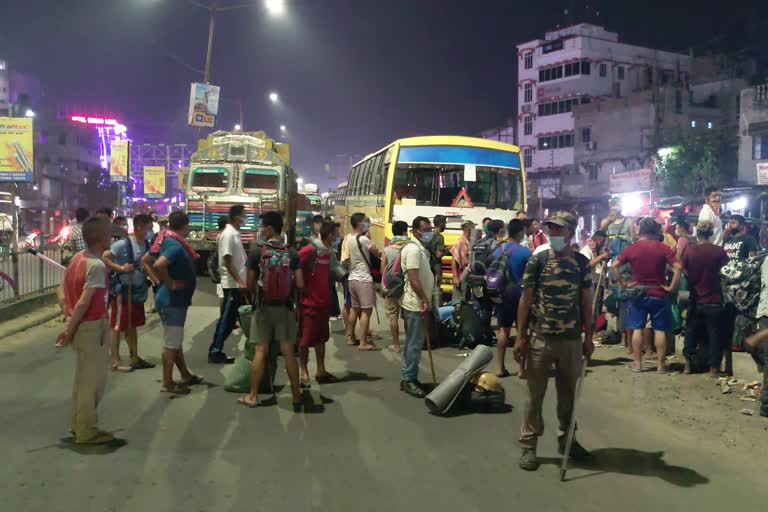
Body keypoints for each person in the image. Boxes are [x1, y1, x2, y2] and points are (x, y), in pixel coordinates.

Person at [513, 211, 593, 471]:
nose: (553, 234)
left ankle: (567, 440)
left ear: (570, 232)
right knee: (534, 396)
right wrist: (521, 337)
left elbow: (586, 303)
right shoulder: (538, 261)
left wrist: (589, 337)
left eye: (558, 229)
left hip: (570, 340)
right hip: (540, 338)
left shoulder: (581, 264)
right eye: (551, 229)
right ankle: (528, 446)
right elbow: (525, 299)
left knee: (568, 395)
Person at [55, 216, 116, 445]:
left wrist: (68, 319)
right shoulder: (96, 266)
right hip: (91, 328)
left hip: (81, 327)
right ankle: (86, 431)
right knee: (92, 383)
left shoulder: (77, 260)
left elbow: (61, 291)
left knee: (83, 381)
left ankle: (78, 424)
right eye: (109, 234)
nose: (112, 237)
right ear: (101, 238)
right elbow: (83, 302)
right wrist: (69, 329)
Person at [238, 211, 303, 410]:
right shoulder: (291, 252)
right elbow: (300, 283)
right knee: (289, 352)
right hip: (285, 307)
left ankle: (253, 395)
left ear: (269, 228)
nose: (261, 230)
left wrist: (254, 297)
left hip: (264, 308)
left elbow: (248, 284)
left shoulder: (257, 252)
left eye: (262, 226)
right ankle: (296, 395)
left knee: (260, 350)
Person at [141, 212, 202, 395]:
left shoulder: (164, 240)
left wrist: (157, 282)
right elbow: (158, 264)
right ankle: (167, 383)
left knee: (175, 341)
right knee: (171, 343)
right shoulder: (175, 246)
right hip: (172, 301)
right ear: (186, 226)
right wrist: (170, 283)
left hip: (169, 298)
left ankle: (185, 374)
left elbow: (146, 261)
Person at [612, 217, 681, 373]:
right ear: (656, 231)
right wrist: (671, 287)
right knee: (660, 330)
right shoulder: (663, 248)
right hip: (658, 292)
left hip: (637, 293)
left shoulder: (632, 248)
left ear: (640, 230)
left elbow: (614, 265)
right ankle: (661, 365)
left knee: (637, 328)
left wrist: (622, 283)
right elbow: (678, 267)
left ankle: (637, 364)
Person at [102, 213, 155, 372]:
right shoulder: (123, 244)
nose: (150, 231)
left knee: (132, 325)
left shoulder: (146, 243)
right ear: (139, 227)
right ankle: (116, 360)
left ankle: (134, 357)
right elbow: (106, 257)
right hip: (123, 291)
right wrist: (121, 268)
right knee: (117, 325)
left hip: (137, 291)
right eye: (148, 228)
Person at [297, 220, 342, 387]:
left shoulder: (328, 252)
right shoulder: (311, 250)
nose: (338, 237)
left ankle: (321, 370)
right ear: (330, 235)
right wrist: (302, 285)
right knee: (304, 340)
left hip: (324, 303)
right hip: (309, 304)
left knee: (321, 339)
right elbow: (295, 263)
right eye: (336, 234)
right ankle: (304, 372)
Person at [681, 221, 729, 375]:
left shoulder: (690, 251)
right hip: (715, 299)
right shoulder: (719, 252)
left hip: (695, 299)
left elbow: (683, 270)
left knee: (691, 332)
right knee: (715, 335)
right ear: (712, 233)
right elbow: (727, 271)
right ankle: (714, 368)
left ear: (697, 233)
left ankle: (688, 365)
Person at [399, 216, 434, 398]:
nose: (429, 232)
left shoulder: (420, 248)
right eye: (426, 229)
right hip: (415, 304)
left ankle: (410, 376)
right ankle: (408, 379)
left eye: (430, 228)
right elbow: (413, 279)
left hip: (419, 302)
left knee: (416, 342)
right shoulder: (412, 249)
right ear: (415, 231)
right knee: (414, 343)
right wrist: (424, 299)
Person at [208, 205, 249, 364]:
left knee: (234, 319)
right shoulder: (228, 234)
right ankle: (215, 351)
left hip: (237, 284)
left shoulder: (235, 233)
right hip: (232, 284)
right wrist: (239, 281)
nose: (245, 218)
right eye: (243, 215)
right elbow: (226, 260)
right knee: (226, 320)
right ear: (236, 217)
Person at [493, 219, 532, 378]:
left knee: (503, 330)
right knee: (522, 332)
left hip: (502, 294)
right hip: (520, 295)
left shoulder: (498, 250)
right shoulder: (525, 252)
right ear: (520, 233)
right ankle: (522, 369)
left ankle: (500, 368)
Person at [346, 212, 381, 351]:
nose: (368, 225)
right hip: (363, 279)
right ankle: (363, 342)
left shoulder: (349, 238)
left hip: (352, 277)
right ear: (360, 223)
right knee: (366, 311)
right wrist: (369, 239)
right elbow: (376, 252)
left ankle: (350, 337)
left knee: (355, 308)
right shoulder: (364, 239)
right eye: (366, 222)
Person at [381, 221, 411, 353]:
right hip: (407, 286)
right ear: (405, 231)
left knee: (393, 316)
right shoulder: (410, 247)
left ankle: (396, 345)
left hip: (392, 288)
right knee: (407, 316)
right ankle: (409, 345)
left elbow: (383, 270)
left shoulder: (387, 250)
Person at [580, 230, 610, 322]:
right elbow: (587, 266)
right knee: (592, 308)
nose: (603, 244)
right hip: (591, 283)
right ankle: (592, 331)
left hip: (598, 282)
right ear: (599, 240)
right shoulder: (586, 250)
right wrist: (601, 257)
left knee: (598, 308)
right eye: (603, 242)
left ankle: (595, 330)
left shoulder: (596, 251)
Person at [450, 220, 474, 301]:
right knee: (458, 300)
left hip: (468, 276)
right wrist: (455, 277)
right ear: (467, 228)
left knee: (466, 300)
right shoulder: (460, 242)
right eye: (472, 227)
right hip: (460, 276)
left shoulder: (470, 241)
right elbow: (454, 260)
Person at [214, 215, 229, 314]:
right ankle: (223, 318)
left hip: (221, 270)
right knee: (223, 296)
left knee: (223, 296)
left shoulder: (219, 236)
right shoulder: (222, 237)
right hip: (223, 271)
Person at [429, 215, 447, 287]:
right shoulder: (439, 237)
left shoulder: (427, 235)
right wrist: (447, 250)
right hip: (435, 268)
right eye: (445, 224)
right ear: (441, 224)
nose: (445, 226)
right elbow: (438, 255)